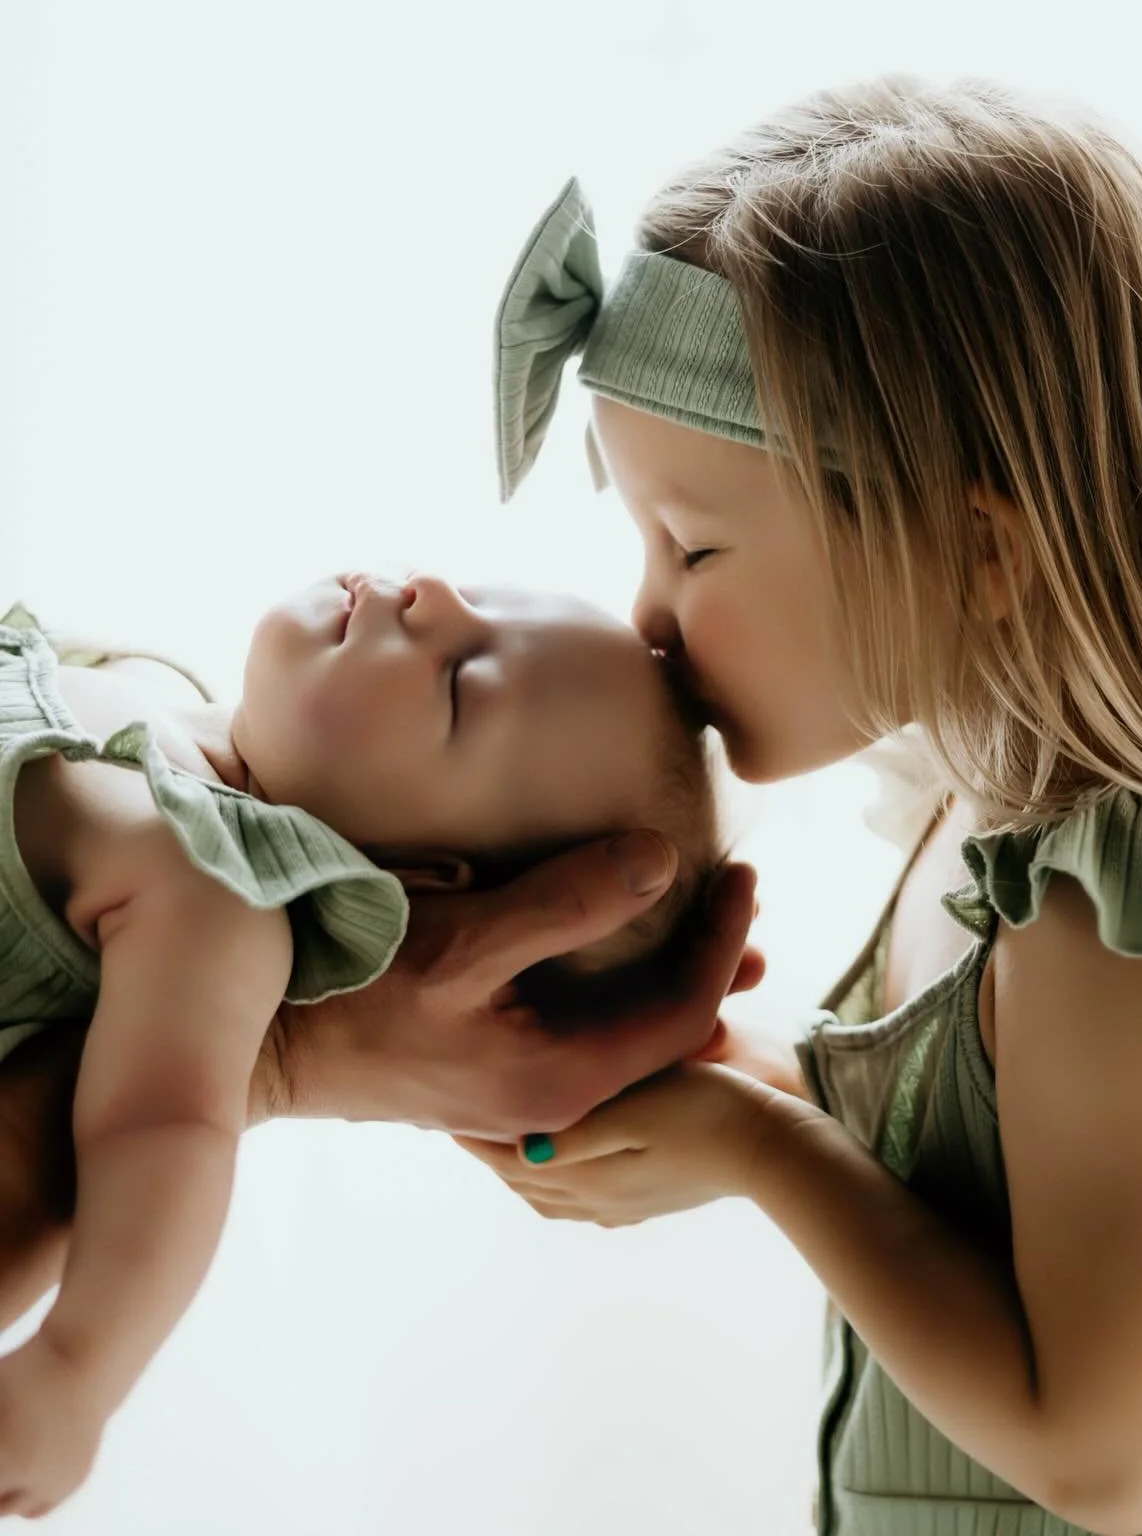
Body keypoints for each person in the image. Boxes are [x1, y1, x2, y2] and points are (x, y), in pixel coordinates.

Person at [473, 78, 1142, 1534]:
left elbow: (1106, 1458)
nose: (647, 617)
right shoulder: (979, 816)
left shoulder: (1128, 915)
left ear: (977, 550)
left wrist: (760, 1152)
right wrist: (736, 1082)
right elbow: (1001, 1183)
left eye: (695, 548)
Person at [0, 573, 737, 1517]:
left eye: (463, 683)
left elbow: (166, 1130)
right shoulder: (154, 693)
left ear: (422, 877)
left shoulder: (214, 899)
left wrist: (77, 1371)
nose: (431, 596)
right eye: (480, 591)